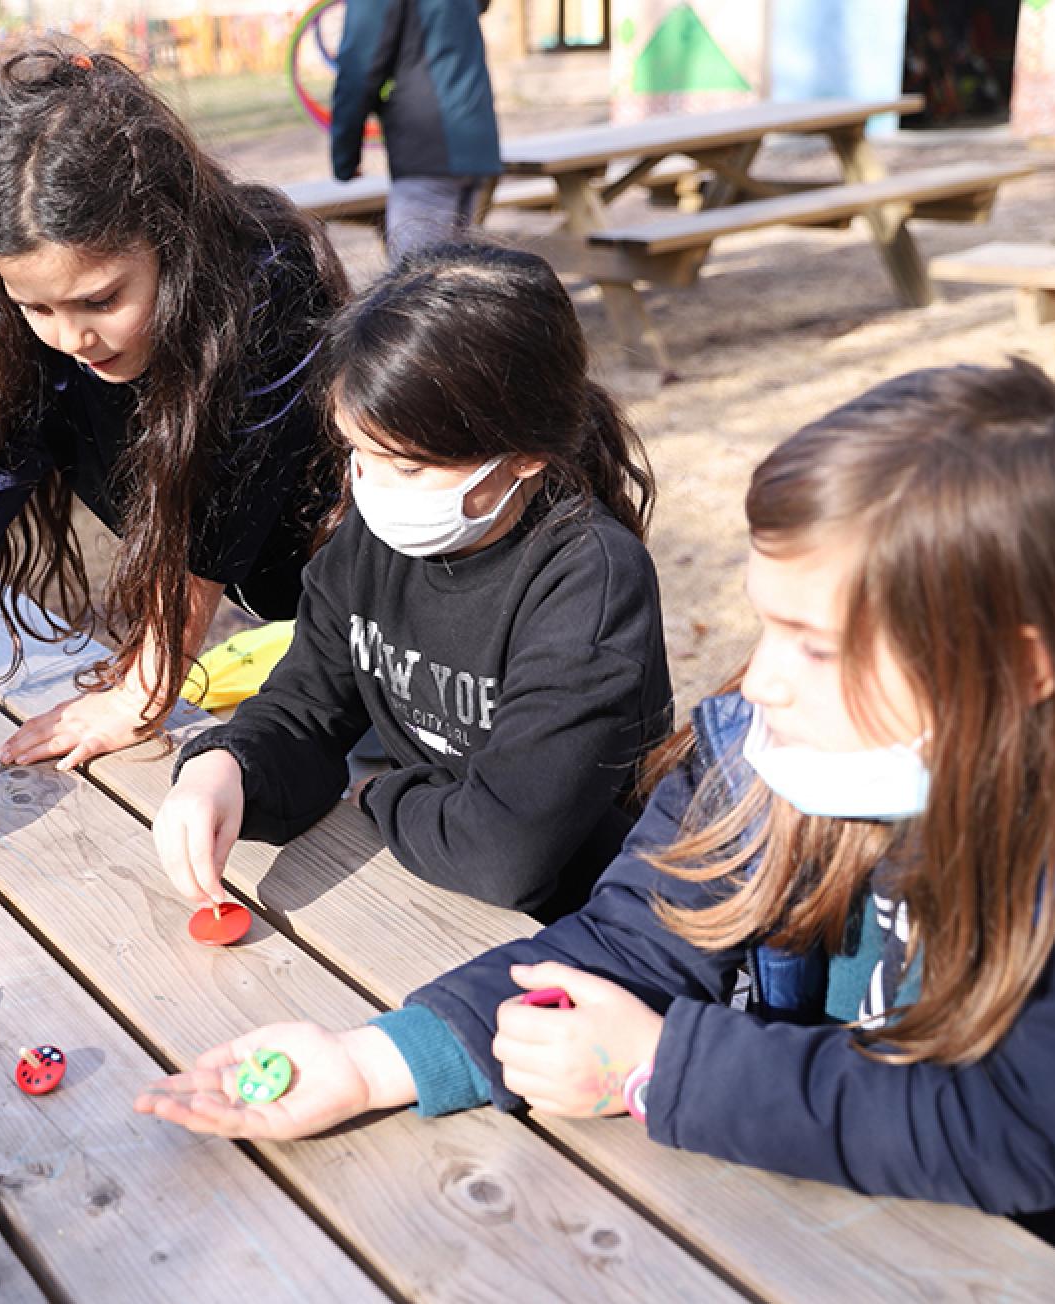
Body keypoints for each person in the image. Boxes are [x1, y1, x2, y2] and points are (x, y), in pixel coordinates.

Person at [136, 363, 1055, 1248]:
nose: (762, 682)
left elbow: (1014, 1126)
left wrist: (671, 1067)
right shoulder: (761, 763)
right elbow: (630, 942)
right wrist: (378, 1062)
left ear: (1020, 666)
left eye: (819, 646)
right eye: (769, 624)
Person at [0, 46, 349, 844]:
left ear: (172, 234)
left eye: (101, 298)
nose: (73, 338)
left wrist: (140, 694)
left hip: (390, 606)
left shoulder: (266, 282)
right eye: (37, 306)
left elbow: (212, 521)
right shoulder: (38, 337)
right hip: (314, 634)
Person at [153, 244, 670, 922]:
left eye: (409, 466)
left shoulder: (588, 586)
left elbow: (506, 852)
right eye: (356, 451)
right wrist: (224, 768)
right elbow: (306, 708)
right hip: (424, 893)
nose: (370, 485)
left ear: (524, 455)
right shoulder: (374, 539)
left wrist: (380, 793)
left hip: (585, 927)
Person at [330, 0, 502, 261]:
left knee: (414, 288)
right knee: (456, 283)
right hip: (476, 140)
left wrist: (344, 157)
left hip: (428, 149)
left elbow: (359, 68)